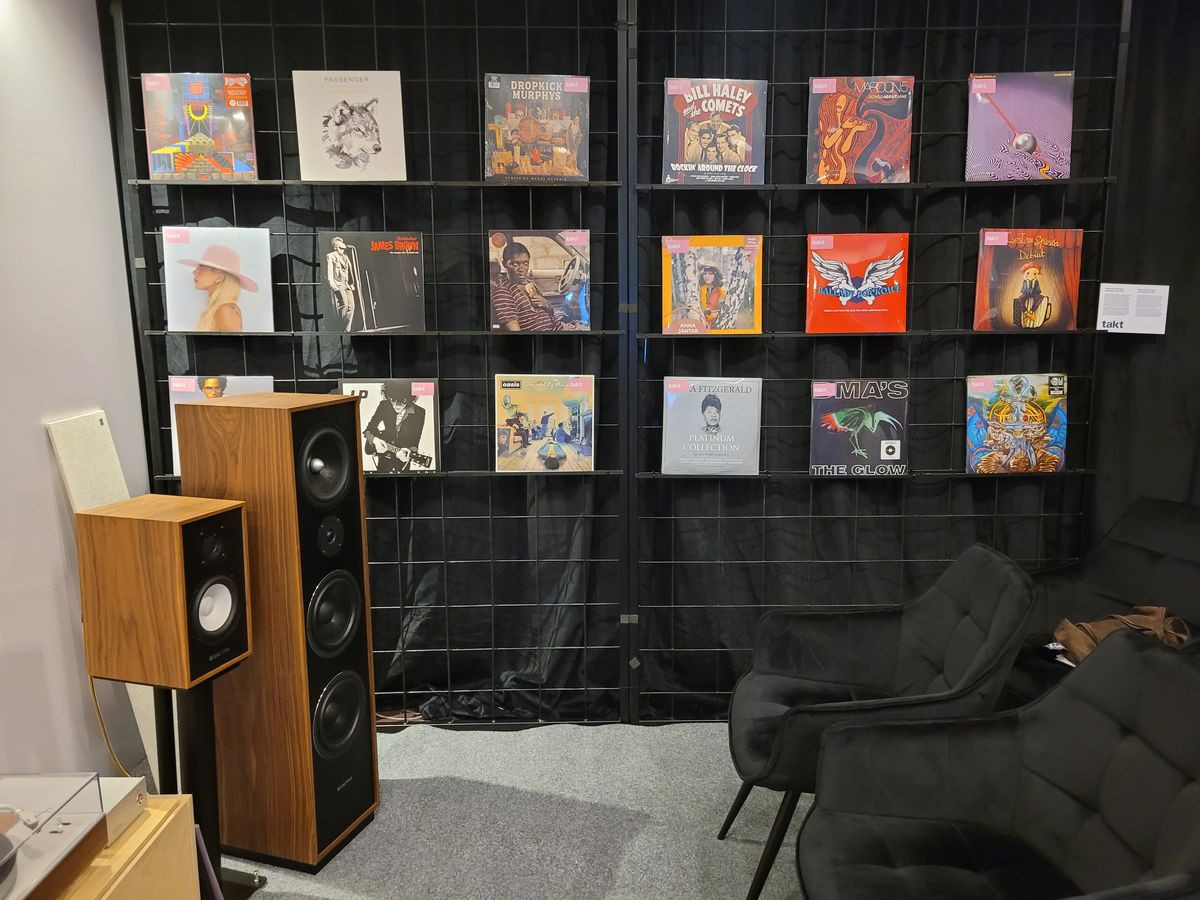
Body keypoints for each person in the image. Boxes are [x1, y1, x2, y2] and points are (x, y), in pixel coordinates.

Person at [490, 241, 576, 332]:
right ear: (505, 264)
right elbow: (514, 330)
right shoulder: (502, 292)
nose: (522, 268)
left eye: (525, 263)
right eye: (515, 264)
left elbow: (551, 313)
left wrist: (546, 304)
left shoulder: (528, 284)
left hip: (559, 327)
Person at [178, 244, 261, 332]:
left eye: (202, 267)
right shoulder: (219, 309)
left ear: (219, 277)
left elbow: (233, 341)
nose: (195, 272)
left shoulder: (226, 310)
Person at [363, 383, 426, 473]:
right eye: (393, 400)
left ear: (409, 398)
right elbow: (369, 429)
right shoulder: (384, 405)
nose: (396, 405)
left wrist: (410, 451)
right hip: (384, 456)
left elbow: (415, 439)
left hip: (402, 459)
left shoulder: (419, 412)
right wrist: (375, 440)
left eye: (401, 402)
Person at [325, 236, 359, 331]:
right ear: (335, 246)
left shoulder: (345, 256)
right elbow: (329, 272)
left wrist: (352, 283)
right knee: (344, 305)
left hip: (346, 284)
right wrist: (332, 285)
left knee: (352, 306)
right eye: (338, 242)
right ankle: (341, 328)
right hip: (338, 284)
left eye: (341, 242)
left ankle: (347, 329)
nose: (342, 244)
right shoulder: (331, 256)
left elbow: (350, 271)